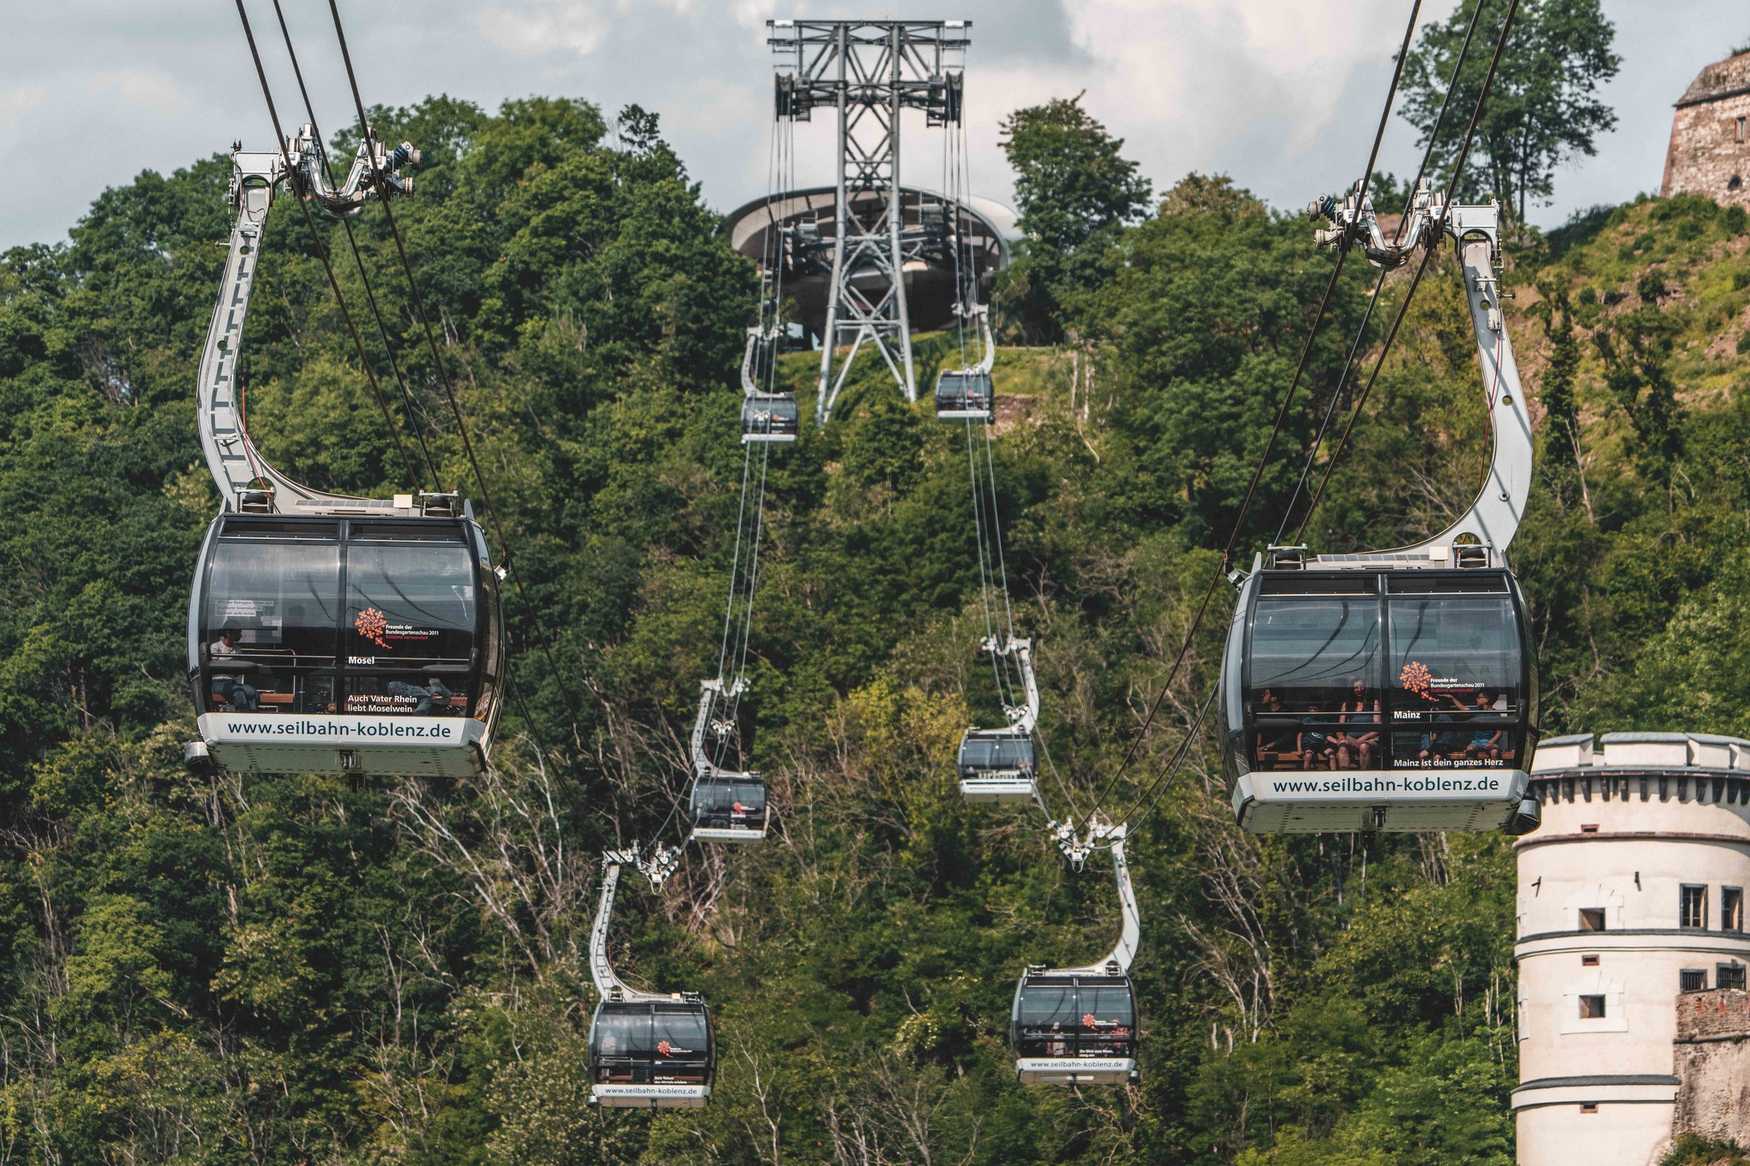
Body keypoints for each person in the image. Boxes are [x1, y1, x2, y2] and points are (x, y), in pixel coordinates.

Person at [1331, 678, 1381, 769]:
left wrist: (1363, 738)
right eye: (1355, 688)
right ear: (1352, 690)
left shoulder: (1373, 703)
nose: (1359, 690)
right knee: (1342, 747)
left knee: (1364, 746)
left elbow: (1377, 727)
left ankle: (1364, 779)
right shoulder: (1347, 704)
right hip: (1351, 739)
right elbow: (1340, 726)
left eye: (1361, 687)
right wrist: (1342, 737)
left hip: (1370, 739)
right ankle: (1345, 779)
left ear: (1365, 688)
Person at [208, 628, 258, 711]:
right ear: (228, 633)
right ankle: (243, 715)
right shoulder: (215, 647)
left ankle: (253, 714)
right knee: (238, 692)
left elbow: (237, 672)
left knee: (252, 692)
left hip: (231, 682)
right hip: (217, 682)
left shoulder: (237, 649)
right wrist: (231, 664)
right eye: (238, 632)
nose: (241, 635)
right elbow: (214, 666)